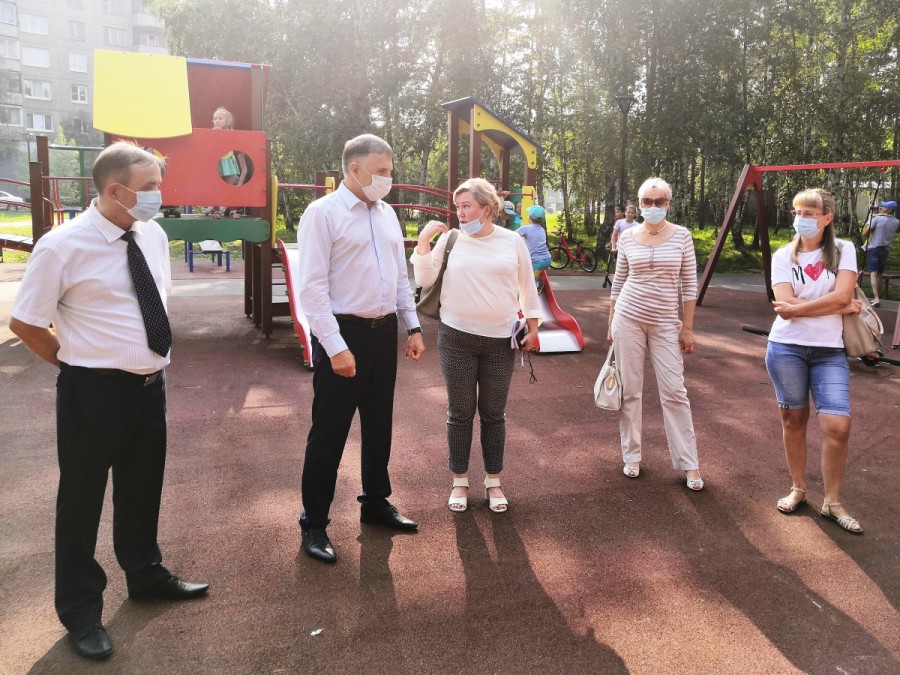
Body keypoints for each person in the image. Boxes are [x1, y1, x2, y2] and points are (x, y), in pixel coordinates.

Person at [9, 142, 208, 661]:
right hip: (93, 393)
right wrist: (77, 364)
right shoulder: (62, 246)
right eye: (149, 188)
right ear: (115, 190)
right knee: (81, 502)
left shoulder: (152, 233)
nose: (159, 195)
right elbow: (25, 322)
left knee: (142, 488)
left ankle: (144, 574)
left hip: (148, 388)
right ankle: (80, 610)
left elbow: (152, 302)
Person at [295, 134, 426, 564]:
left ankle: (374, 502)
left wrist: (412, 326)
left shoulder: (387, 213)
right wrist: (335, 347)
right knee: (329, 432)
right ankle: (314, 522)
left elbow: (401, 277)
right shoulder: (323, 214)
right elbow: (312, 289)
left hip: (382, 333)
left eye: (390, 170)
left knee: (379, 424)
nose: (388, 178)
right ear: (355, 169)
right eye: (381, 171)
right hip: (342, 333)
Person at [412, 178, 541, 514]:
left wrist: (533, 327)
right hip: (455, 339)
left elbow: (527, 286)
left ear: (486, 208)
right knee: (460, 413)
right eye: (458, 207)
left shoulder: (512, 241)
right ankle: (459, 481)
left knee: (493, 414)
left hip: (500, 341)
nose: (460, 212)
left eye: (466, 206)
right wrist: (424, 240)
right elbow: (424, 279)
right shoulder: (451, 239)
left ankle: (493, 481)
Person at [766, 188, 863, 533]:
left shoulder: (843, 249)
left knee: (838, 426)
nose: (801, 219)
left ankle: (832, 502)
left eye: (809, 213)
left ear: (826, 218)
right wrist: (835, 304)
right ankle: (798, 489)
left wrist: (802, 307)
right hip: (785, 347)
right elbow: (785, 305)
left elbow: (842, 295)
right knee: (793, 420)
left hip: (829, 351)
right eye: (797, 212)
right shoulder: (782, 255)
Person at [607, 177, 704, 491]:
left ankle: (689, 462)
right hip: (628, 318)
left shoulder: (682, 236)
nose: (652, 206)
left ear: (668, 203)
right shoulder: (628, 237)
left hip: (665, 322)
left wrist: (687, 327)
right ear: (639, 204)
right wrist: (611, 322)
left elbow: (689, 285)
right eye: (646, 202)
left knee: (674, 391)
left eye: (658, 201)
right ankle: (631, 455)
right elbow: (619, 282)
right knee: (630, 390)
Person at [206, 107, 248, 219]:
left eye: (220, 118)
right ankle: (216, 210)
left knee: (229, 187)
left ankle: (232, 210)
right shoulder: (213, 132)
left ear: (228, 122)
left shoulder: (231, 133)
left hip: (228, 160)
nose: (217, 121)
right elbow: (209, 144)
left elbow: (235, 141)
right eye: (215, 119)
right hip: (217, 161)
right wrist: (215, 133)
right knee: (216, 186)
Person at [862, 200, 898, 307]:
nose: (882, 208)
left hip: (874, 248)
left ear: (889, 210)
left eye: (884, 207)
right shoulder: (896, 222)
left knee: (873, 273)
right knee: (880, 274)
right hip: (885, 249)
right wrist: (879, 215)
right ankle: (877, 297)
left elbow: (865, 233)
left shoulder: (876, 219)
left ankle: (876, 298)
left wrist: (874, 217)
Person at [518, 204, 552, 293]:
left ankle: (537, 284)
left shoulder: (526, 228)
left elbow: (513, 236)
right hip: (547, 259)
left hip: (537, 261)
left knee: (525, 274)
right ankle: (536, 280)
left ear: (529, 217)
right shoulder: (542, 229)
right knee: (533, 272)